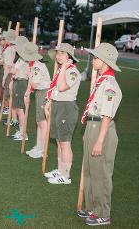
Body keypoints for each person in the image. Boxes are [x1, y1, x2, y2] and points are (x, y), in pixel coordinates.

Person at [77, 43, 122, 226]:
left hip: (102, 129)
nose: (93, 60)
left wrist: (99, 141)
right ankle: (91, 207)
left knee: (101, 173)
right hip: (92, 126)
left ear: (104, 61)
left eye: (96, 58)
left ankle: (103, 212)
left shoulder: (110, 84)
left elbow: (106, 116)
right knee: (89, 170)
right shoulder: (101, 80)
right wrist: (88, 132)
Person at [44, 43, 81, 185]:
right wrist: (49, 102)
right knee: (59, 141)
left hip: (67, 107)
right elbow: (55, 90)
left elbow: (61, 87)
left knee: (65, 143)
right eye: (58, 53)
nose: (59, 56)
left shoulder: (71, 71)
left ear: (69, 56)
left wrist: (65, 67)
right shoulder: (61, 70)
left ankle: (66, 176)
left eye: (62, 53)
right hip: (58, 105)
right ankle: (60, 170)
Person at [21, 42, 51, 158]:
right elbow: (31, 84)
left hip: (44, 92)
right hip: (40, 92)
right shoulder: (33, 65)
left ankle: (42, 149)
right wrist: (27, 93)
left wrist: (28, 74)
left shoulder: (36, 66)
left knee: (42, 122)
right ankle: (38, 146)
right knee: (39, 121)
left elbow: (34, 82)